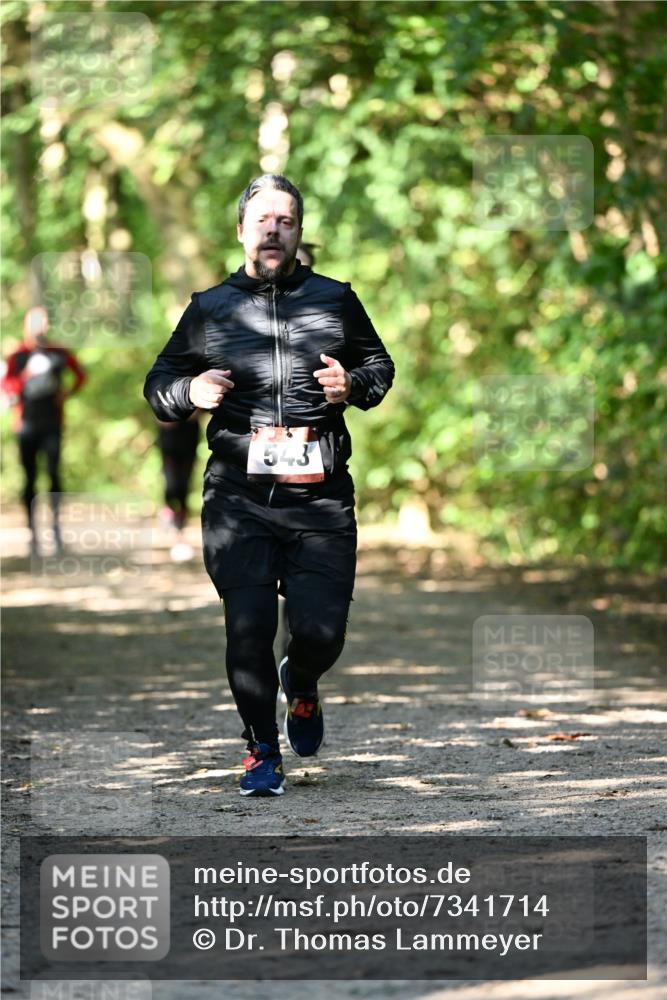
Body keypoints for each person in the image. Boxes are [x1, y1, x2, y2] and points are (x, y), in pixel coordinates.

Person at [144, 174, 394, 797]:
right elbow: (159, 384)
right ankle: (260, 747)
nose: (273, 229)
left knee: (321, 632)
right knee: (247, 626)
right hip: (238, 496)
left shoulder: (336, 299)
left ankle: (301, 683)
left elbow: (379, 366)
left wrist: (353, 387)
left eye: (285, 219)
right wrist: (189, 392)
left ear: (299, 231)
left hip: (321, 496)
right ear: (242, 231)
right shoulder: (210, 307)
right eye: (262, 220)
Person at [2, 306, 86, 555]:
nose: (40, 328)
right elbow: (7, 388)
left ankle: (57, 532)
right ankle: (33, 536)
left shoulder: (58, 352)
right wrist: (26, 376)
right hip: (26, 425)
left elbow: (80, 375)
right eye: (35, 323)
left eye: (44, 323)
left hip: (53, 424)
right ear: (27, 325)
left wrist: (67, 394)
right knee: (29, 479)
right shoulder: (17, 356)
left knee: (54, 476)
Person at [156, 410, 201, 562]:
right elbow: (158, 410)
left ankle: (180, 535)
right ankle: (169, 516)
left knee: (184, 488)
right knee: (171, 485)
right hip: (169, 439)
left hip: (189, 437)